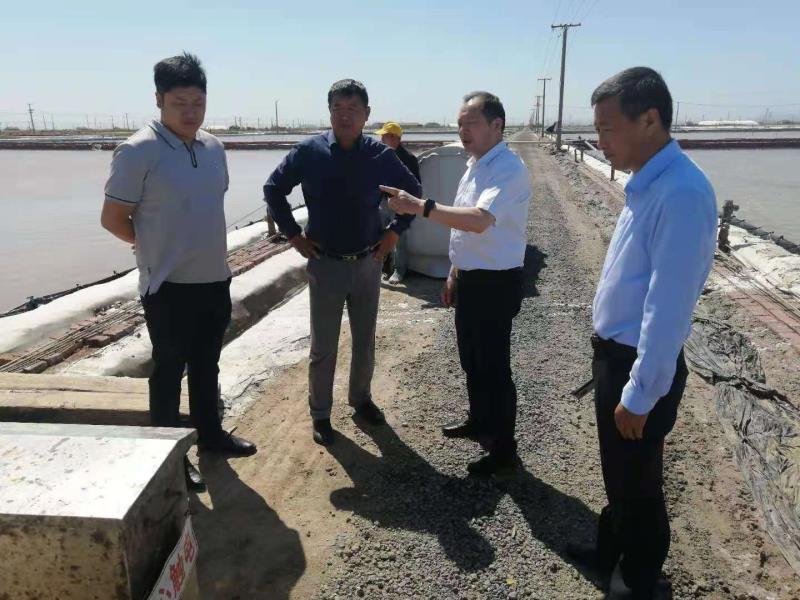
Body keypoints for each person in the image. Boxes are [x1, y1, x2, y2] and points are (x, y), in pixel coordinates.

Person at [578, 67, 717, 599]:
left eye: (607, 128)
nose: (600, 141)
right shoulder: (648, 183)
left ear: (650, 120)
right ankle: (609, 552)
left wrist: (639, 393)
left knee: (638, 482)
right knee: (619, 474)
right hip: (615, 356)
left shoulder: (681, 193)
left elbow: (668, 308)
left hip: (637, 363)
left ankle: (640, 581)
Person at [100, 52, 256, 493]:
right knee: (169, 370)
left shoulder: (213, 147)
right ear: (159, 100)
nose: (190, 112)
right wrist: (149, 246)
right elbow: (113, 218)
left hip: (214, 278)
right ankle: (170, 456)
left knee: (208, 365)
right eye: (179, 103)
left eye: (198, 103)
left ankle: (210, 435)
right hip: (167, 285)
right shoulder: (138, 151)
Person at [380, 91, 531, 476]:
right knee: (472, 360)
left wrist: (420, 206)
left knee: (494, 368)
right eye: (460, 124)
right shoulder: (474, 165)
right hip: (470, 278)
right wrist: (453, 272)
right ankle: (479, 421)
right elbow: (462, 229)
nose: (463, 131)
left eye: (472, 123)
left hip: (496, 282)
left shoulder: (508, 169)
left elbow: (478, 220)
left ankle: (504, 450)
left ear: (497, 125)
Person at [264, 79, 422, 446]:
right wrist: (294, 235)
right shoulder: (309, 152)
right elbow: (273, 189)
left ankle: (361, 399)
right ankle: (320, 414)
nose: (345, 116)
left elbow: (413, 191)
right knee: (324, 345)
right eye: (338, 108)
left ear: (367, 114)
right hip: (326, 263)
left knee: (365, 340)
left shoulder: (380, 155)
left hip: (368, 261)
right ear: (329, 112)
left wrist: (395, 232)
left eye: (353, 109)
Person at [375, 122, 421, 284]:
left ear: (394, 138)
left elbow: (416, 185)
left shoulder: (409, 159)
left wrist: (405, 203)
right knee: (380, 235)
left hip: (400, 204)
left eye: (384, 136)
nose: (381, 139)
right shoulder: (381, 156)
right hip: (382, 202)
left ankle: (399, 270)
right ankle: (384, 268)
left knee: (399, 238)